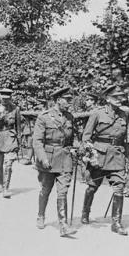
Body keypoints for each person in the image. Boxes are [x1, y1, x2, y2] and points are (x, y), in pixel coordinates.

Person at [80, 85, 129, 235]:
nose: (120, 100)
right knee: (92, 187)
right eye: (116, 97)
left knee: (119, 188)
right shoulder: (97, 113)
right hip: (99, 155)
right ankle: (85, 212)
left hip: (117, 155)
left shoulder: (123, 115)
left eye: (121, 97)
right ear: (108, 99)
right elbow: (86, 137)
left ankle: (116, 223)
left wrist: (126, 158)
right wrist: (90, 155)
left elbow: (124, 138)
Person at [33, 87, 77, 237]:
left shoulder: (70, 117)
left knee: (63, 191)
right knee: (46, 190)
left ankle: (63, 225)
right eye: (68, 100)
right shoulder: (44, 117)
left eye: (71, 100)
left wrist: (76, 149)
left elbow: (71, 139)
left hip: (65, 158)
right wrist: (42, 158)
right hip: (49, 159)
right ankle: (40, 215)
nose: (70, 103)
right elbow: (37, 142)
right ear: (59, 100)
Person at [74, 92, 99, 183]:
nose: (88, 102)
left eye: (91, 100)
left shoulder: (96, 111)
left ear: (94, 102)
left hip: (93, 137)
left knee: (91, 157)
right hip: (85, 136)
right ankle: (85, 178)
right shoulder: (85, 111)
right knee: (84, 157)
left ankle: (89, 178)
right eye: (87, 100)